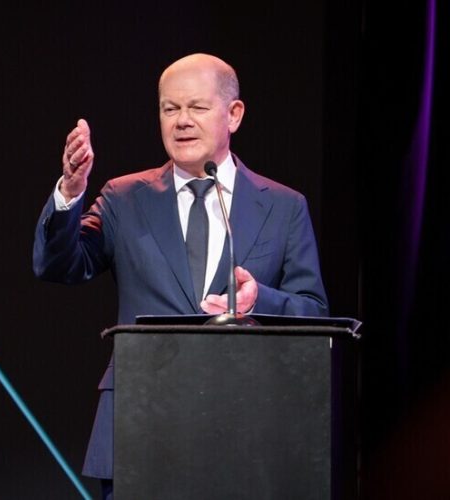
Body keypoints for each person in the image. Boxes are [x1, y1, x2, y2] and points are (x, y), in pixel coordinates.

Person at [33, 53, 328, 498]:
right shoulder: (124, 197)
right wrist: (69, 194)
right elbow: (60, 265)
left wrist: (260, 300)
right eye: (170, 108)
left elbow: (314, 312)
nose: (182, 121)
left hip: (250, 434)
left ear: (234, 114)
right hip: (141, 429)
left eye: (197, 107)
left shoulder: (283, 207)